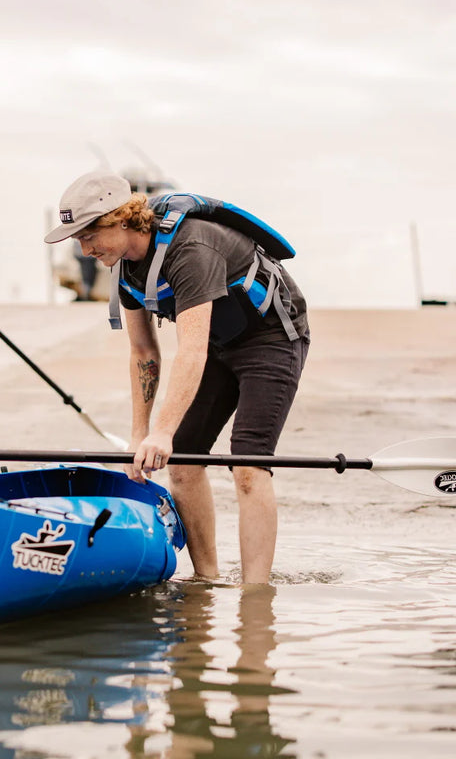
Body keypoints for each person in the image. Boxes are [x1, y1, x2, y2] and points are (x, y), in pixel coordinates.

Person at [45, 171, 310, 583]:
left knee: (248, 464)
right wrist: (141, 434)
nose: (85, 248)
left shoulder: (191, 249)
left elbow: (191, 349)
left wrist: (163, 431)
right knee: (183, 463)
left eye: (88, 235)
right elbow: (143, 352)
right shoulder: (123, 267)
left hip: (272, 339)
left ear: (120, 220)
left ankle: (255, 597)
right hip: (220, 345)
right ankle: (206, 581)